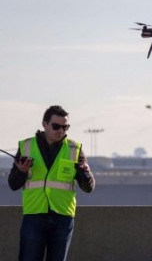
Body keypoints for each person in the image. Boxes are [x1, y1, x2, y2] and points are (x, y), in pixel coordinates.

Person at [8, 105, 95, 261]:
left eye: (65, 127)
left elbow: (88, 187)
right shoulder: (26, 146)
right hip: (34, 215)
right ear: (44, 124)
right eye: (56, 126)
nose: (61, 131)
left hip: (63, 217)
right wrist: (21, 171)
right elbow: (13, 184)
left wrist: (86, 174)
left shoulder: (74, 149)